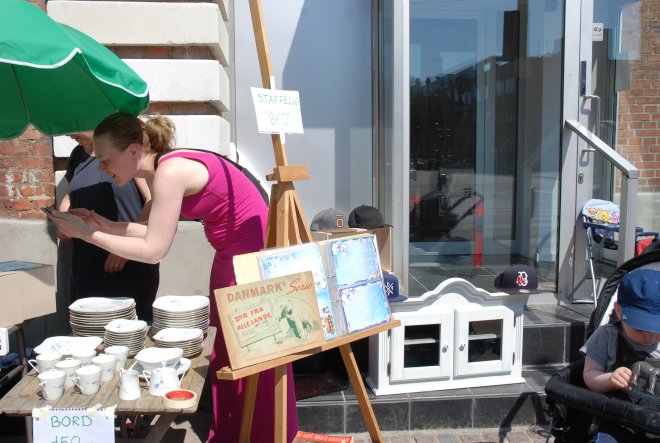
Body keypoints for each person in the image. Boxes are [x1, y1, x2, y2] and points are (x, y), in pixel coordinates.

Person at [47, 113, 298, 443]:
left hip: (246, 262)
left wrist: (87, 234)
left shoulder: (169, 172)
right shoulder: (164, 168)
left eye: (106, 160)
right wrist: (100, 224)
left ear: (132, 151)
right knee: (231, 353)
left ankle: (258, 434)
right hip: (233, 257)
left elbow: (154, 250)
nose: (103, 169)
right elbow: (152, 230)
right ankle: (240, 432)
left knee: (249, 354)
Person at [57, 132, 159, 321]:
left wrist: (125, 249)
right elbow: (69, 197)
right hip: (86, 264)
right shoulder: (77, 155)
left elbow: (153, 200)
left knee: (128, 329)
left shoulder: (122, 150)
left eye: (73, 125)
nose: (68, 133)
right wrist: (63, 221)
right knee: (90, 327)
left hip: (126, 263)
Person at [580, 268, 660, 442]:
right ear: (618, 310)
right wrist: (610, 379)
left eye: (657, 331)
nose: (649, 338)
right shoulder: (607, 336)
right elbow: (589, 374)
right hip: (619, 419)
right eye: (639, 329)